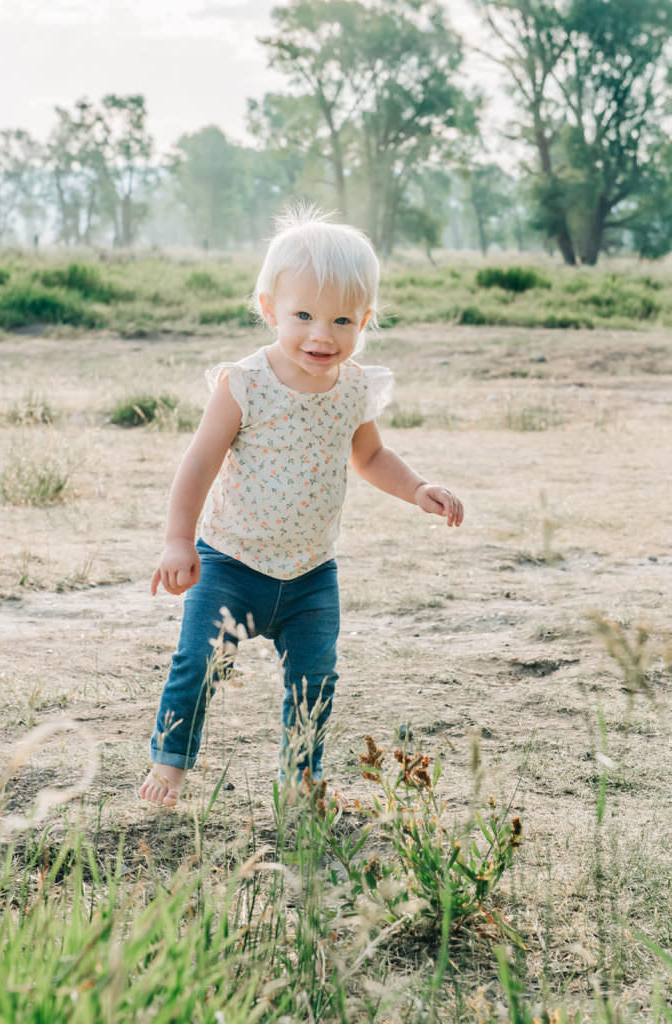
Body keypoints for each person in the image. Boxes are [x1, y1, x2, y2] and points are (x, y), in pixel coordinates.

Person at [140, 208, 464, 807]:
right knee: (198, 665)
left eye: (342, 319)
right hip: (229, 562)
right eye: (304, 316)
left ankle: (300, 781)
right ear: (269, 309)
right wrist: (178, 540)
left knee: (314, 681)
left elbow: (371, 457)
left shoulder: (354, 388)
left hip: (313, 573)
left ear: (366, 321)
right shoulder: (244, 383)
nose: (323, 335)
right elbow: (199, 464)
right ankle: (169, 766)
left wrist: (418, 488)